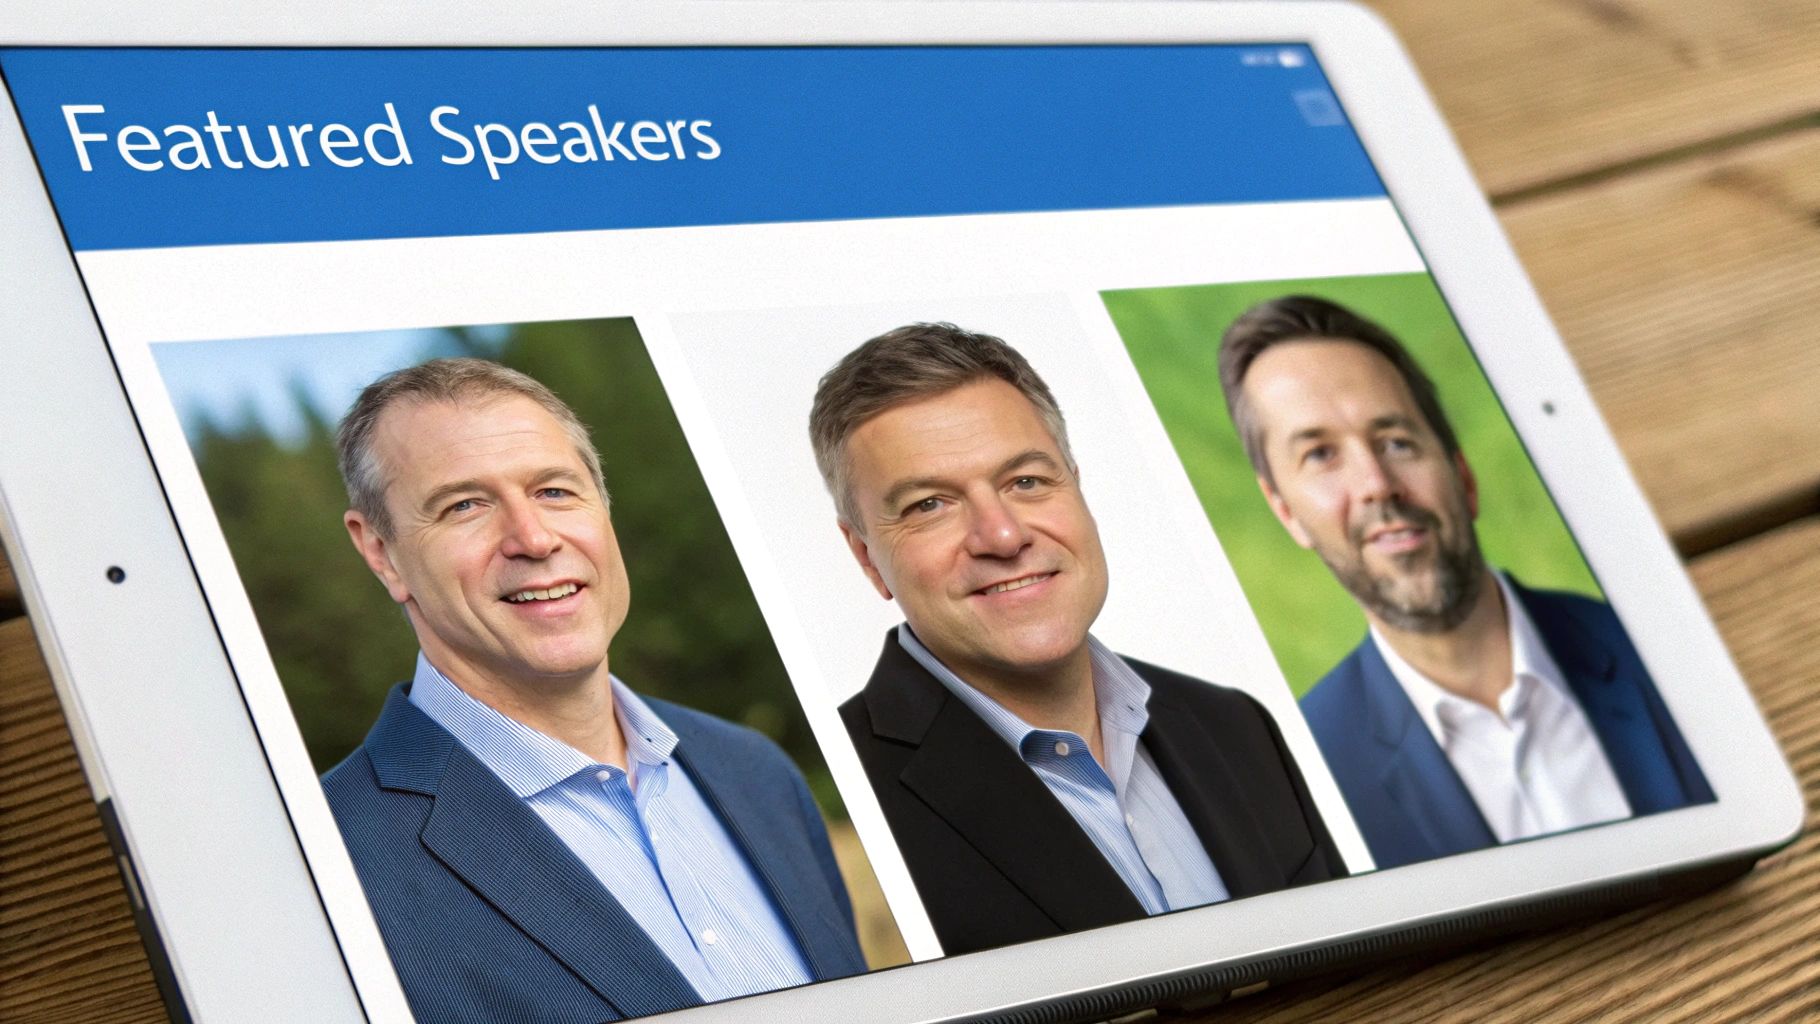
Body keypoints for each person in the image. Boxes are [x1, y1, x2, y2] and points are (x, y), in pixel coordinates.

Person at [321, 357, 865, 1022]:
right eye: (466, 505)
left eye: (554, 491)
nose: (533, 538)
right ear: (379, 551)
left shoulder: (757, 774)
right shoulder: (328, 867)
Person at [810, 322, 1344, 956]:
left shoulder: (1235, 725)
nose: (1003, 537)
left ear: (1077, 487)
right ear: (866, 557)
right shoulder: (850, 803)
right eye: (931, 504)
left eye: (1026, 482)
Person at [1218, 296, 1713, 871]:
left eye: (1397, 442)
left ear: (1463, 474)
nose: (1377, 484)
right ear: (1286, 512)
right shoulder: (1299, 780)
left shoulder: (1657, 647)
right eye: (1321, 454)